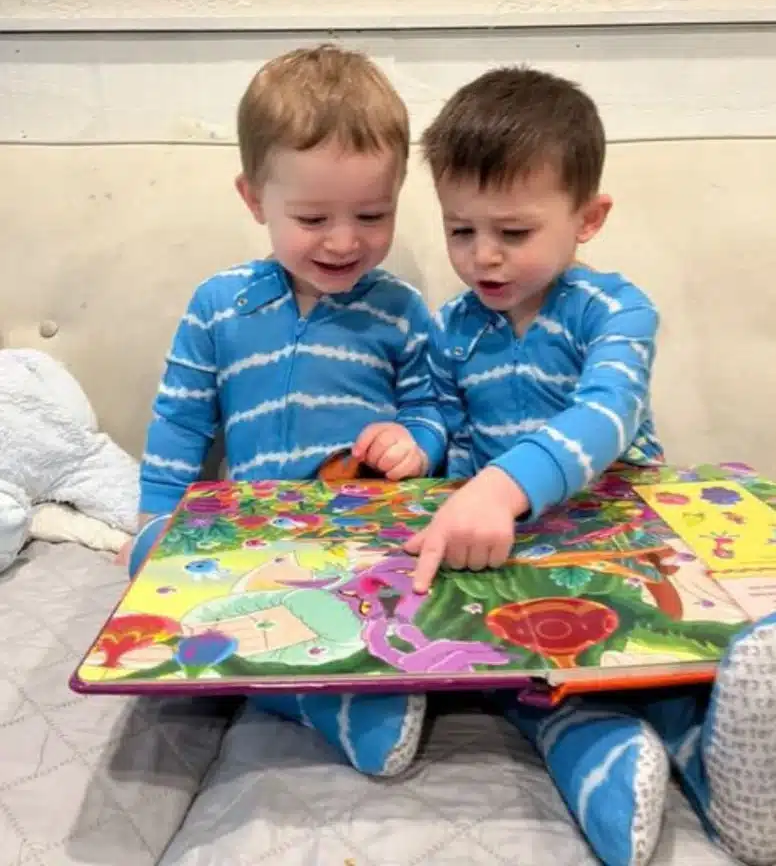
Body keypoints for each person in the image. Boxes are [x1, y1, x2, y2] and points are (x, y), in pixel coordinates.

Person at [406, 65, 776, 866]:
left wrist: (503, 486)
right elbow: (443, 421)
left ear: (589, 218)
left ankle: (714, 755)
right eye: (460, 230)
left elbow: (607, 416)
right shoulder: (452, 326)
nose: (483, 258)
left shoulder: (617, 310)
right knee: (508, 661)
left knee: (665, 657)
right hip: (512, 549)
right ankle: (593, 749)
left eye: (513, 231)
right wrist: (415, 443)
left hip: (621, 525)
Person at [126, 43, 446, 778]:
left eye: (373, 213)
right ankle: (315, 701)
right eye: (311, 217)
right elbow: (181, 419)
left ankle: (352, 682)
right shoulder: (220, 304)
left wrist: (415, 442)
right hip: (246, 537)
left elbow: (433, 408)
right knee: (152, 563)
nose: (344, 241)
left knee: (423, 585)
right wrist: (155, 516)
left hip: (360, 530)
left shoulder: (399, 311)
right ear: (253, 199)